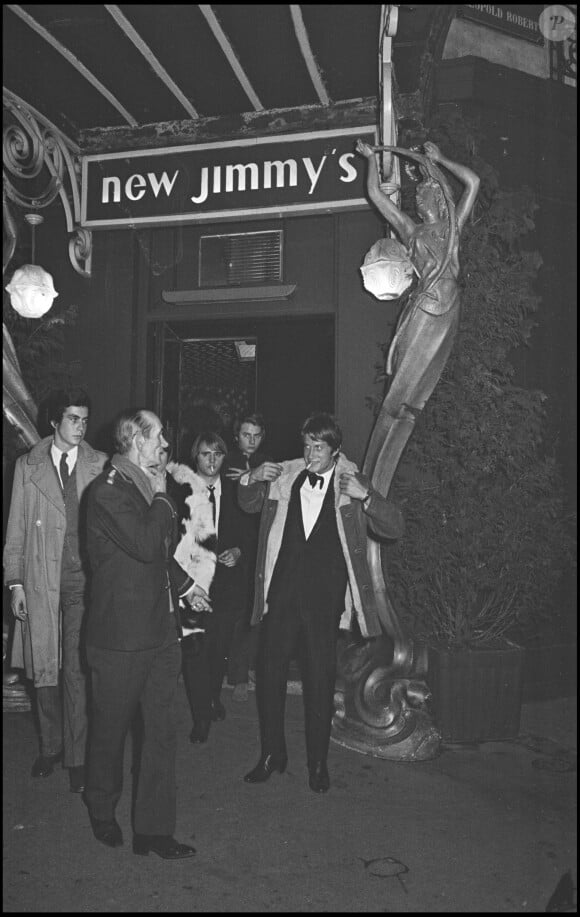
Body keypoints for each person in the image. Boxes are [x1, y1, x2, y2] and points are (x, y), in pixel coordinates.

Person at [239, 412, 404, 793]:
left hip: (324, 601)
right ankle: (271, 754)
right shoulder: (285, 475)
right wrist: (251, 478)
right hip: (281, 595)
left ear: (335, 450)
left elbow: (394, 526)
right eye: (307, 444)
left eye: (319, 447)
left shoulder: (352, 482)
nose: (310, 453)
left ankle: (317, 764)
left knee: (319, 680)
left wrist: (369, 498)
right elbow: (247, 503)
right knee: (269, 674)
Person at [83, 408, 210, 858]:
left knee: (160, 734)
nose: (165, 448)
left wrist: (188, 586)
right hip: (118, 641)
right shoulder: (106, 492)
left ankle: (154, 833)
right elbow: (142, 542)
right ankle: (101, 809)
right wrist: (161, 497)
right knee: (110, 732)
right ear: (135, 441)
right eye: (158, 439)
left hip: (158, 634)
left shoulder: (142, 491)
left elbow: (157, 553)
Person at [3, 387, 107, 794]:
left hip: (83, 583)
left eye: (84, 419)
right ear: (54, 421)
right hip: (39, 581)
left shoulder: (99, 465)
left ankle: (77, 757)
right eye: (72, 419)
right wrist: (15, 583)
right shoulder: (27, 466)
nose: (80, 427)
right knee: (44, 669)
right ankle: (50, 748)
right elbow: (14, 532)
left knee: (77, 671)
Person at [355, 139, 480, 474]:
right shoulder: (411, 231)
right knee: (399, 388)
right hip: (423, 305)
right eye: (418, 192)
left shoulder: (452, 227)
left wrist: (441, 159)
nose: (417, 196)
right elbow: (377, 197)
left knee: (418, 392)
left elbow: (473, 182)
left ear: (439, 197)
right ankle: (373, 471)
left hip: (448, 306)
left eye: (424, 191)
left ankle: (383, 467)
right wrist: (371, 159)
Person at [170, 431, 249, 744]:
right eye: (205, 454)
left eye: (217, 454)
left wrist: (239, 550)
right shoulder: (180, 492)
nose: (212, 460)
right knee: (194, 652)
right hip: (191, 585)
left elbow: (251, 532)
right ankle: (200, 716)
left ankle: (213, 696)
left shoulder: (236, 490)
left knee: (217, 651)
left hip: (227, 586)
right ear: (196, 457)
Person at [223, 413, 271, 702]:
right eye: (245, 435)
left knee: (259, 611)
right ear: (236, 436)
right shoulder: (228, 463)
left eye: (256, 435)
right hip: (236, 548)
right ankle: (238, 675)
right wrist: (236, 547)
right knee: (239, 611)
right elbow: (231, 512)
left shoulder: (268, 462)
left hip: (261, 546)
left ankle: (250, 667)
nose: (251, 441)